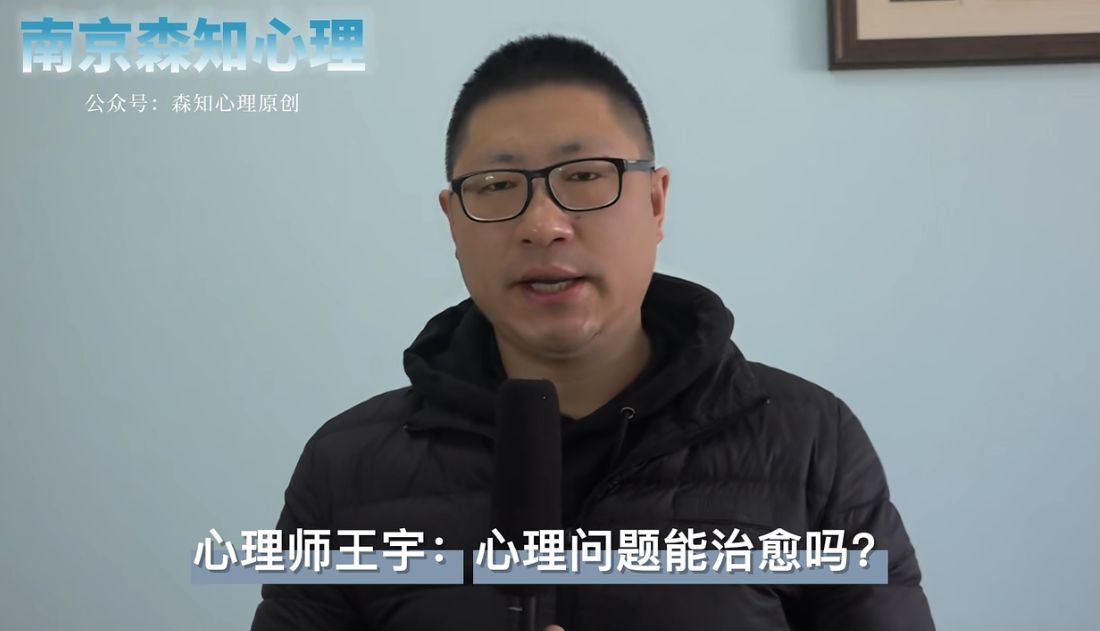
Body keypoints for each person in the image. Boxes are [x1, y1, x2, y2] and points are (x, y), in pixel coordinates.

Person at [250, 34, 936, 631]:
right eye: (496, 185)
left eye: (584, 176)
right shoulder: (346, 468)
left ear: (656, 201)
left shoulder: (811, 442)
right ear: (453, 221)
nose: (543, 224)